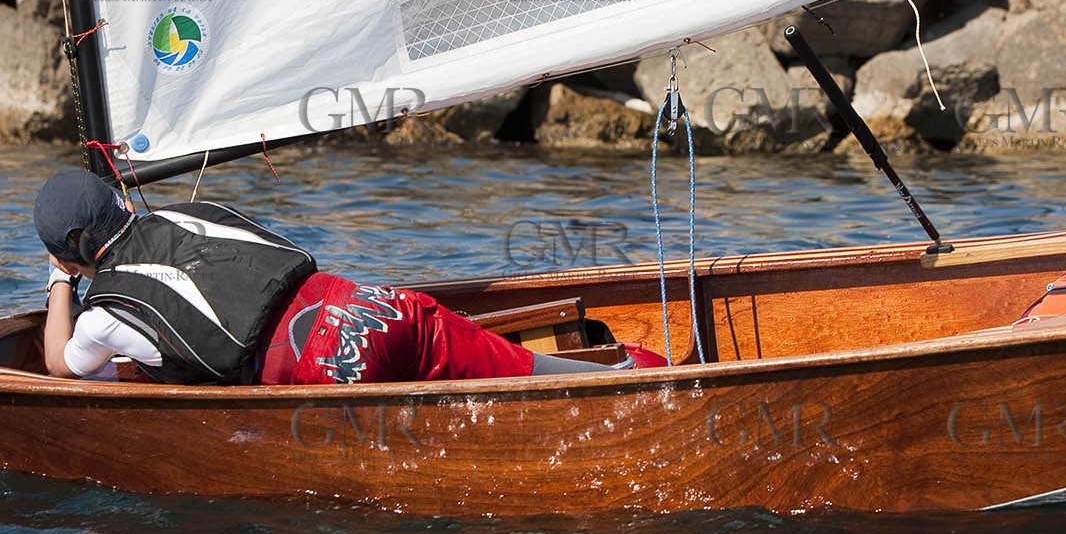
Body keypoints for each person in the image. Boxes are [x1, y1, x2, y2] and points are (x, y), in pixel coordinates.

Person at [33, 168, 640, 384]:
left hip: (327, 366)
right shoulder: (192, 212)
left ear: (72, 250)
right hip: (382, 308)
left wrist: (60, 281)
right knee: (534, 376)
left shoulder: (103, 313)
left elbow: (62, 364)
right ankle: (641, 372)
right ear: (119, 203)